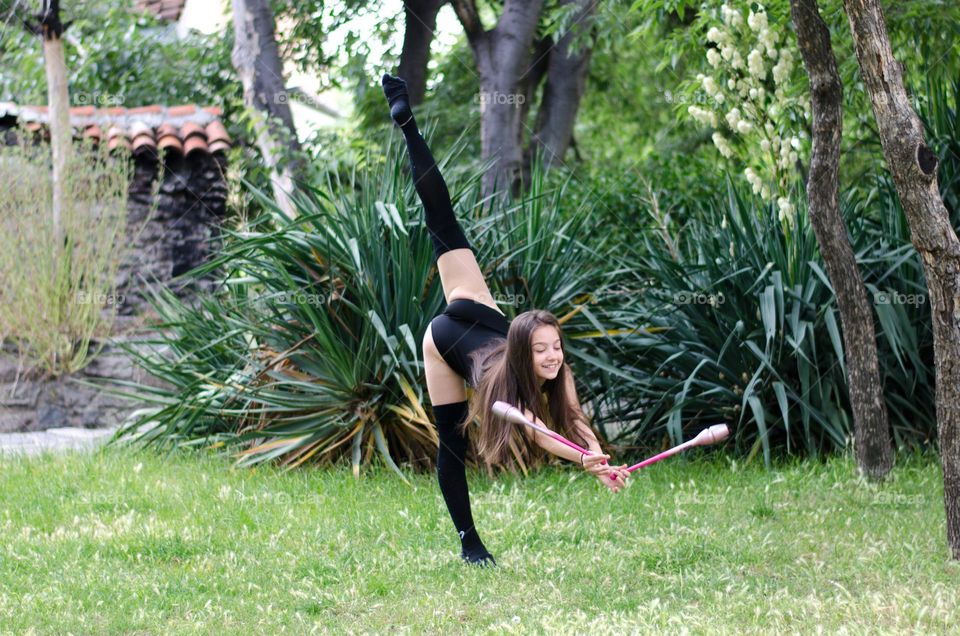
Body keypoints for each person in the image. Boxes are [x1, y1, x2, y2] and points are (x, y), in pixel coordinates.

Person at [381, 73, 630, 567]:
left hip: (478, 306)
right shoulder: (504, 389)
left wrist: (597, 457)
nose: (552, 357)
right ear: (523, 352)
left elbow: (573, 418)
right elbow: (539, 431)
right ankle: (469, 543)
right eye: (541, 351)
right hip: (444, 342)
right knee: (451, 447)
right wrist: (582, 460)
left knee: (442, 221)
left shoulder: (547, 356)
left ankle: (408, 126)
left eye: (554, 346)